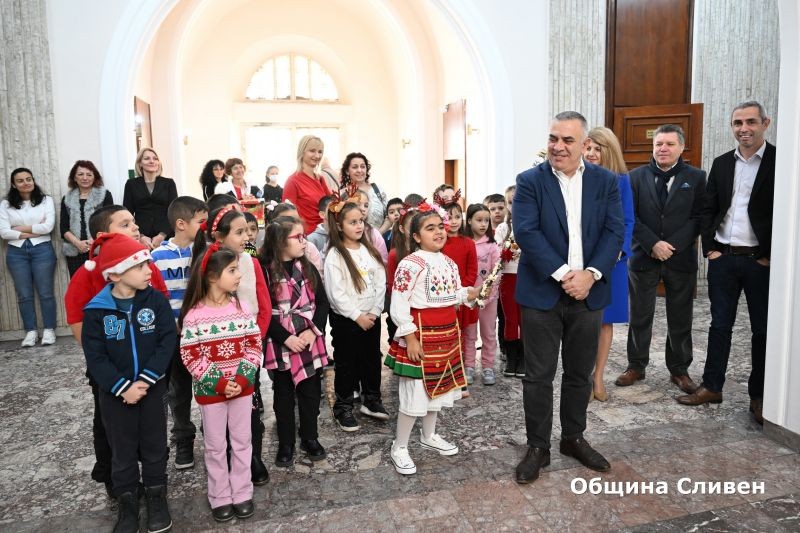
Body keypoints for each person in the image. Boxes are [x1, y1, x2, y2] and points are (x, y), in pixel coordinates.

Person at [513, 111, 623, 484]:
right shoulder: (530, 181)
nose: (558, 146)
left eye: (567, 140)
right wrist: (565, 275)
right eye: (553, 138)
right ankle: (538, 447)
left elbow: (614, 232)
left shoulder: (605, 182)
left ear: (584, 144)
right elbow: (526, 232)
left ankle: (573, 438)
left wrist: (590, 275)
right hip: (542, 293)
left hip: (589, 293)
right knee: (538, 375)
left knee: (579, 372)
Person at [677, 101, 775, 426]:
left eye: (750, 122)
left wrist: (769, 254)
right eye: (737, 123)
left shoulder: (779, 162)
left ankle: (760, 396)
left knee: (762, 330)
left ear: (765, 123)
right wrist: (710, 249)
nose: (743, 129)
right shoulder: (721, 163)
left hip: (760, 262)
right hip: (724, 258)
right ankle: (712, 387)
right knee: (719, 325)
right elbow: (709, 208)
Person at [64, 205, 170, 499]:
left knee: (153, 425)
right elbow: (80, 326)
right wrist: (115, 375)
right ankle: (119, 483)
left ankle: (155, 478)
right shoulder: (86, 276)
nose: (135, 228)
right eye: (125, 224)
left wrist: (150, 371)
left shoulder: (147, 268)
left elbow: (161, 313)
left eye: (134, 222)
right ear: (103, 236)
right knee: (109, 425)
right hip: (111, 369)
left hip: (150, 366)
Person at [81, 233, 176, 533]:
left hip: (152, 388)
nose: (150, 270)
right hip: (115, 394)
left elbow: (167, 341)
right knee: (121, 450)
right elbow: (96, 357)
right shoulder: (96, 311)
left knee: (154, 444)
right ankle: (127, 500)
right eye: (141, 266)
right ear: (116, 274)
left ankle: (157, 495)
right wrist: (122, 387)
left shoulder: (156, 301)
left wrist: (146, 381)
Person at [384, 206, 479, 475]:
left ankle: (429, 435)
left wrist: (469, 294)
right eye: (430, 228)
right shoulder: (410, 264)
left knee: (438, 388)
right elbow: (399, 303)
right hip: (421, 335)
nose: (438, 232)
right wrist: (410, 337)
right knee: (415, 393)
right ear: (416, 236)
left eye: (440, 226)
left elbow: (451, 294)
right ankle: (400, 446)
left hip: (446, 334)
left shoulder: (448, 262)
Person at [613, 124, 706, 396]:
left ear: (681, 147)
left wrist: (671, 246)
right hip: (644, 256)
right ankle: (636, 366)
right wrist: (652, 243)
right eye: (658, 144)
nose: (663, 148)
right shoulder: (635, 177)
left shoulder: (697, 177)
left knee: (680, 317)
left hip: (681, 258)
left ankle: (679, 369)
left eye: (669, 144)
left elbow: (699, 217)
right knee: (640, 315)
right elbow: (630, 216)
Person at [179, 245, 261, 523]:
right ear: (213, 277)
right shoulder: (194, 316)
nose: (239, 275)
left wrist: (240, 380)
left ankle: (242, 491)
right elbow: (191, 355)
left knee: (242, 441)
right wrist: (220, 383)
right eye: (232, 270)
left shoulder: (242, 309)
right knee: (215, 446)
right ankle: (220, 495)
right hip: (211, 393)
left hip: (241, 390)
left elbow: (254, 345)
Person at [192, 205, 272, 484]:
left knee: (250, 404)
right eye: (239, 232)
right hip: (214, 352)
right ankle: (222, 456)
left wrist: (255, 342)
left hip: (247, 350)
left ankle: (252, 457)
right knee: (217, 405)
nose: (246, 237)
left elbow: (264, 304)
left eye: (248, 231)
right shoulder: (206, 263)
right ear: (219, 236)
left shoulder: (250, 260)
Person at [261, 216, 329, 466]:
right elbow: (264, 313)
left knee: (311, 392)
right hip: (281, 341)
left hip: (308, 338)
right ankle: (286, 441)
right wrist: (286, 338)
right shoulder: (265, 271)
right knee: (283, 396)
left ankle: (310, 437)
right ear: (280, 241)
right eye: (297, 237)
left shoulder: (308, 268)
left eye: (304, 236)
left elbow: (322, 303)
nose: (304, 241)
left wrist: (312, 332)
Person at [150, 196, 208, 470]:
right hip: (174, 335)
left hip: (205, 333)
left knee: (209, 382)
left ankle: (214, 433)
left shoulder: (205, 252)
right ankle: (183, 437)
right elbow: (155, 297)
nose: (205, 226)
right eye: (201, 221)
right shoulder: (157, 257)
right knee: (179, 389)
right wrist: (169, 326)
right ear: (181, 224)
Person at [325, 194, 389, 430]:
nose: (359, 225)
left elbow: (380, 280)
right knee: (347, 364)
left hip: (370, 316)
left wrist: (375, 310)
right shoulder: (336, 255)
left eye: (361, 220)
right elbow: (336, 293)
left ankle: (371, 400)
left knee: (371, 360)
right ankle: (343, 406)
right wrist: (357, 316)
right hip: (347, 320)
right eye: (352, 222)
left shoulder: (368, 250)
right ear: (340, 225)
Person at [582, 127, 634, 401]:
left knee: (605, 321)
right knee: (581, 321)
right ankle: (581, 375)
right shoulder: (576, 178)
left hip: (613, 262)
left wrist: (616, 253)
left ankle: (598, 376)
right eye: (588, 147)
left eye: (597, 149)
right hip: (581, 261)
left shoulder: (621, 180)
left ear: (609, 151)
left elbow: (628, 221)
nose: (591, 153)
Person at [0, 168, 57, 347]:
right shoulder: (5, 204)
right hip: (16, 252)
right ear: (13, 184)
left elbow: (48, 227)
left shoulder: (46, 200)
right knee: (24, 294)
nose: (26, 183)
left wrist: (17, 229)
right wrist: (33, 230)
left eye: (28, 179)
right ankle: (31, 331)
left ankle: (49, 330)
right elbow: (4, 232)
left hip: (42, 250)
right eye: (20, 180)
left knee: (46, 293)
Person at [439, 195, 477, 395]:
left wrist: (461, 293)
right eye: (448, 217)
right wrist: (449, 295)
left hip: (462, 298)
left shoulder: (468, 243)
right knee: (445, 337)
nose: (453, 221)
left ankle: (459, 375)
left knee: (461, 336)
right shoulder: (439, 243)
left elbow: (472, 271)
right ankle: (443, 376)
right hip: (443, 299)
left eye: (456, 217)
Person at [464, 203, 500, 386]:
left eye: (486, 220)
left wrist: (488, 296)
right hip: (469, 298)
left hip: (488, 299)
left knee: (488, 333)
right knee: (469, 333)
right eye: (479, 220)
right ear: (469, 220)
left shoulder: (492, 246)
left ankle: (488, 367)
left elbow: (496, 272)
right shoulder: (465, 243)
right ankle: (468, 366)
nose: (483, 224)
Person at [60, 160, 114, 277]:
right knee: (79, 283)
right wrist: (77, 243)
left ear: (95, 177)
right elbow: (63, 228)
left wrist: (93, 241)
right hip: (75, 251)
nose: (85, 178)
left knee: (99, 282)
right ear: (74, 177)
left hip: (99, 248)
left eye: (89, 175)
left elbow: (109, 222)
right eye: (80, 174)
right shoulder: (67, 198)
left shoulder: (105, 195)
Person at [123, 147, 178, 250]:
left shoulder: (169, 183)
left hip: (167, 235)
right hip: (140, 237)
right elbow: (127, 213)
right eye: (147, 158)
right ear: (140, 163)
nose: (152, 161)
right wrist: (140, 236)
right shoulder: (131, 184)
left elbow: (174, 212)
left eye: (155, 158)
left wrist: (162, 235)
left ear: (158, 163)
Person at [495, 185, 524, 378]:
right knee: (510, 318)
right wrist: (507, 250)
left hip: (527, 277)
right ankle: (511, 359)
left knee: (525, 319)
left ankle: (524, 359)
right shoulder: (503, 228)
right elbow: (497, 252)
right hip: (508, 277)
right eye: (511, 202)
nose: (515, 206)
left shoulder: (532, 224)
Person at [282, 135, 331, 234]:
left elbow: (331, 204)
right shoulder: (293, 181)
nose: (317, 156)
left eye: (320, 152)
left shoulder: (320, 179)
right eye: (312, 151)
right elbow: (286, 216)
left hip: (325, 233)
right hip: (306, 236)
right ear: (302, 152)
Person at [340, 152, 387, 229]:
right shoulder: (342, 194)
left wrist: (377, 234)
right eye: (355, 167)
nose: (359, 170)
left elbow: (389, 217)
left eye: (362, 167)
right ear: (347, 171)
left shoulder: (378, 190)